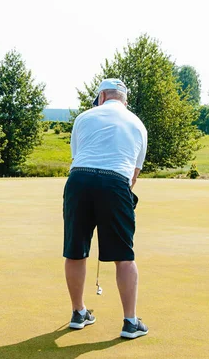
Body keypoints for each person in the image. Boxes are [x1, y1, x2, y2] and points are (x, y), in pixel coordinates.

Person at [63, 78, 149, 339]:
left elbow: (78, 158)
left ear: (101, 97)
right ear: (124, 100)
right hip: (115, 182)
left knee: (76, 250)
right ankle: (130, 322)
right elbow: (133, 175)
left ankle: (79, 313)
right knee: (124, 256)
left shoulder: (84, 118)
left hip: (79, 180)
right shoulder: (137, 124)